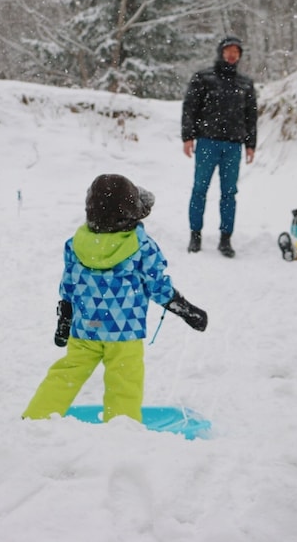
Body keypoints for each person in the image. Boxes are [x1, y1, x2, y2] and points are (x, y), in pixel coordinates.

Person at [23, 174, 207, 424]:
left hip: (86, 329)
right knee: (124, 383)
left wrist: (64, 321)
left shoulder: (75, 244)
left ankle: (36, 417)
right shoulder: (141, 247)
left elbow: (68, 287)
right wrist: (187, 310)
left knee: (66, 374)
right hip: (124, 333)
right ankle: (122, 431)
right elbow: (158, 287)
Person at [181, 35, 258, 258]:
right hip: (207, 142)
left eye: (236, 51)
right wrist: (188, 137)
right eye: (228, 50)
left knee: (229, 193)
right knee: (199, 189)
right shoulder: (203, 78)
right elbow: (190, 108)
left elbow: (251, 115)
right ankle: (195, 234)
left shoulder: (245, 83)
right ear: (221, 52)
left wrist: (250, 144)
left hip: (233, 146)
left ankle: (226, 238)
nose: (232, 54)